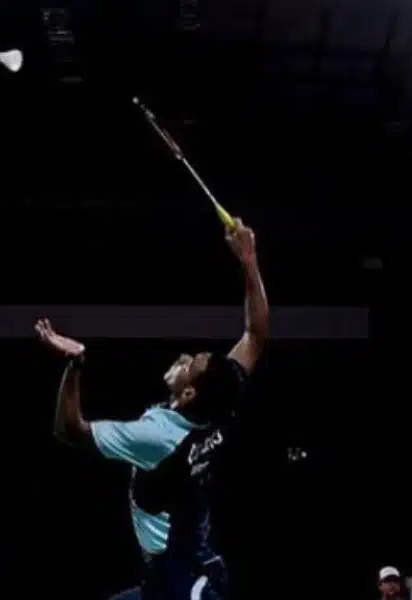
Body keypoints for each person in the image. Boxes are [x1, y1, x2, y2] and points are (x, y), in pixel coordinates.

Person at [34, 218, 268, 600]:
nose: (184, 357)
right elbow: (255, 335)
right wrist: (249, 259)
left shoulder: (158, 437)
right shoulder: (217, 409)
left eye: (190, 364)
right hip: (187, 565)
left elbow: (69, 429)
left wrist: (75, 362)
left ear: (188, 393)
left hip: (181, 581)